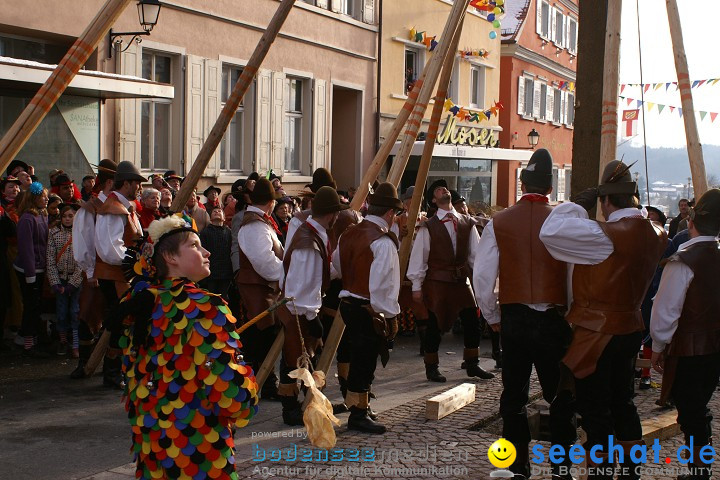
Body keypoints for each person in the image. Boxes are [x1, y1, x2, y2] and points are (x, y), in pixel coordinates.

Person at [539, 160, 667, 479]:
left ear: (606, 200)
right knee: (624, 401)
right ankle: (632, 469)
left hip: (597, 333)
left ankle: (600, 472)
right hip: (630, 327)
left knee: (595, 409)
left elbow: (550, 231)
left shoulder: (606, 236)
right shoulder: (657, 232)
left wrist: (576, 204)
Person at [111, 215, 259, 480]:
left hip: (153, 441)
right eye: (194, 245)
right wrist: (248, 397)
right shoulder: (205, 306)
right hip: (200, 446)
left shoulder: (138, 303)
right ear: (170, 257)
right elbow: (226, 384)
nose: (206, 251)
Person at [474, 149, 574, 479]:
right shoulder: (562, 220)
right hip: (552, 319)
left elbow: (484, 275)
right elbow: (573, 273)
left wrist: (491, 315)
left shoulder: (499, 222)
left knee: (513, 397)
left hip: (514, 317)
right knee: (561, 397)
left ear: (522, 184)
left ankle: (517, 466)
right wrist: (568, 311)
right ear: (549, 186)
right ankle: (562, 468)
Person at [650, 189, 720, 480]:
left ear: (691, 222)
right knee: (697, 410)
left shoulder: (683, 261)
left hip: (689, 350)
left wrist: (657, 344)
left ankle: (699, 473)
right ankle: (700, 470)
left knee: (691, 413)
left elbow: (666, 309)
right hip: (715, 347)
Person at [408, 179, 494, 383]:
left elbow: (476, 256)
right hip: (437, 281)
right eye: (437, 189)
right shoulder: (428, 226)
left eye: (444, 187)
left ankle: (472, 364)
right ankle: (431, 367)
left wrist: (481, 280)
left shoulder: (467, 222)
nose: (443, 189)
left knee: (472, 321)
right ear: (433, 201)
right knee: (435, 325)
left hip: (461, 281)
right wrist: (416, 286)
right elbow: (419, 256)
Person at [332, 182, 401, 434]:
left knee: (357, 356)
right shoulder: (383, 242)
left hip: (349, 303)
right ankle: (359, 414)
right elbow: (385, 285)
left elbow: (337, 264)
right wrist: (389, 316)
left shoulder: (348, 233)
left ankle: (359, 406)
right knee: (365, 360)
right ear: (390, 213)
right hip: (369, 308)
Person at [276, 186, 349, 425]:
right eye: (337, 212)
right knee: (293, 360)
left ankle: (314, 403)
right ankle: (290, 411)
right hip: (297, 311)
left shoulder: (316, 234)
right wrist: (310, 316)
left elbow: (319, 274)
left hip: (302, 309)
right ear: (332, 214)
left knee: (308, 359)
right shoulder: (308, 242)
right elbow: (300, 287)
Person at [92, 161, 146, 389]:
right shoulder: (113, 208)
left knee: (122, 322)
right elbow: (109, 248)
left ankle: (116, 370)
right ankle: (112, 373)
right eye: (136, 183)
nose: (139, 188)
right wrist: (135, 261)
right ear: (126, 184)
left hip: (122, 273)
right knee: (120, 322)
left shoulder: (123, 207)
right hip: (115, 274)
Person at [236, 178, 284, 399]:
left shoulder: (260, 222)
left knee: (266, 336)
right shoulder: (255, 224)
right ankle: (257, 385)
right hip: (256, 288)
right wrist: (286, 275)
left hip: (264, 287)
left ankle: (263, 383)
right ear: (271, 203)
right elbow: (264, 262)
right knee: (260, 337)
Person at [71, 159, 117, 378]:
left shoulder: (115, 206)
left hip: (113, 273)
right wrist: (90, 271)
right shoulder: (92, 208)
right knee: (88, 314)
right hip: (96, 272)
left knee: (114, 318)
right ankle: (84, 363)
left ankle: (108, 366)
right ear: (110, 182)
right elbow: (83, 239)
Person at [13, 181, 49, 357]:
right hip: (29, 269)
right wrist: (30, 274)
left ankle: (30, 337)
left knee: (36, 305)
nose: (47, 200)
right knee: (30, 306)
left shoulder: (42, 215)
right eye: (43, 197)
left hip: (39, 268)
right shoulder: (27, 219)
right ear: (35, 198)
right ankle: (28, 343)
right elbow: (26, 249)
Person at [46, 203, 82, 357]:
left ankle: (75, 344)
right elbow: (50, 258)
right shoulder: (53, 233)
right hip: (60, 278)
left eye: (70, 216)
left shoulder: (82, 234)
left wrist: (73, 284)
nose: (67, 219)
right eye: (64, 216)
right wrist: (55, 282)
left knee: (75, 311)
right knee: (61, 312)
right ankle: (62, 341)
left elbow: (83, 261)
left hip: (76, 279)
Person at [199, 206, 233, 299]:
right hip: (211, 272)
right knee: (212, 298)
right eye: (214, 211)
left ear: (224, 217)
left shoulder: (229, 232)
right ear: (210, 218)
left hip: (226, 271)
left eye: (219, 211)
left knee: (224, 298)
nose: (217, 212)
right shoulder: (205, 232)